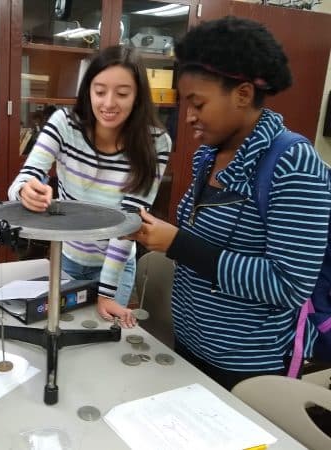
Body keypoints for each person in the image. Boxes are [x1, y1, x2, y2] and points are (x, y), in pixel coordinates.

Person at [132, 16, 331, 390]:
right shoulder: (209, 155)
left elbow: (289, 284)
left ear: (241, 94)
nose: (187, 117)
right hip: (189, 344)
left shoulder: (294, 164)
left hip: (245, 366)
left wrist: (177, 244)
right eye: (183, 103)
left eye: (198, 103)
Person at [8, 45, 171, 327]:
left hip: (116, 267)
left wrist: (106, 292)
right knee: (63, 329)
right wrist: (25, 190)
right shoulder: (64, 124)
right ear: (88, 91)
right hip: (68, 258)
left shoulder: (155, 143)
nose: (108, 103)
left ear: (138, 96)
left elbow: (129, 225)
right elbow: (25, 177)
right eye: (99, 91)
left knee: (105, 339)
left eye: (122, 93)